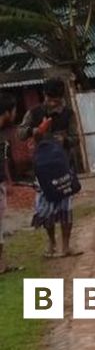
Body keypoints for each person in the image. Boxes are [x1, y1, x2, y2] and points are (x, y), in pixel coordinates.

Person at [17, 78, 82, 258]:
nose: (54, 103)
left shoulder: (68, 114)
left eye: (57, 100)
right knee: (46, 207)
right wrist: (35, 131)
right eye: (51, 99)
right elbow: (21, 133)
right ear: (44, 96)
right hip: (42, 168)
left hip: (64, 166)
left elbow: (76, 138)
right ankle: (52, 244)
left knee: (66, 206)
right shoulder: (34, 113)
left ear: (62, 98)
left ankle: (66, 246)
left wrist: (65, 140)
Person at [0, 92, 21, 274]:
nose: (15, 114)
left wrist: (8, 180)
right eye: (13, 111)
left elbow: (4, 159)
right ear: (7, 112)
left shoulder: (3, 134)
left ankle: (2, 265)